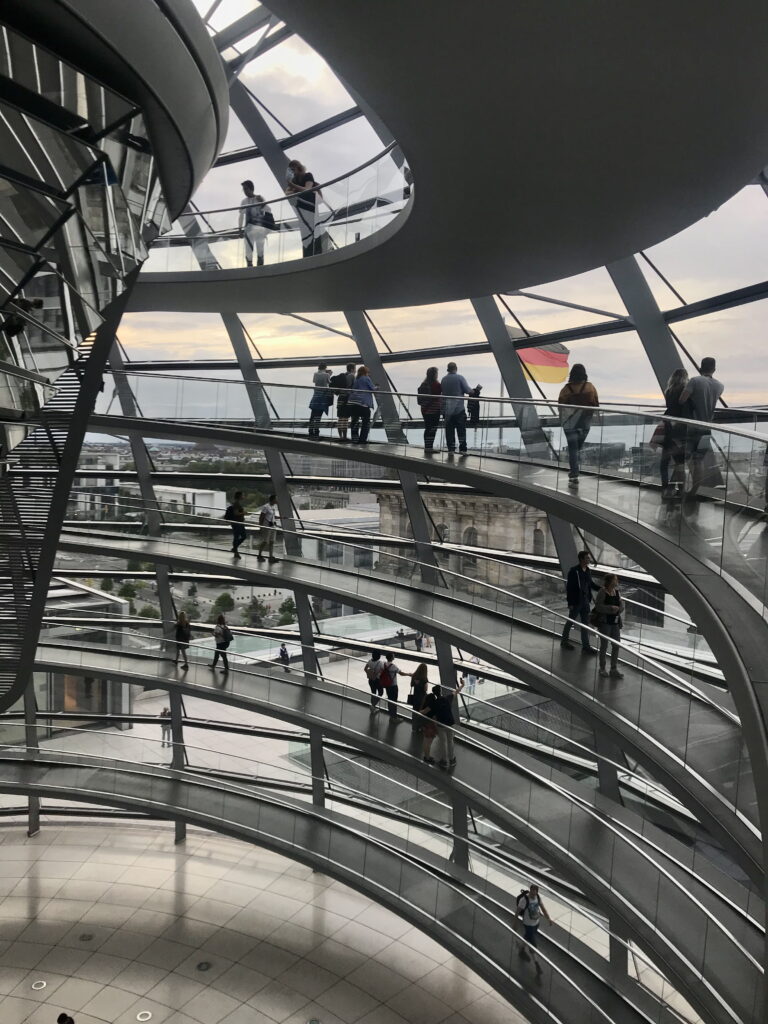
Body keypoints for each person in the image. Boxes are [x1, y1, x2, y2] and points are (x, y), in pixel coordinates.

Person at [680, 357, 725, 495]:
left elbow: (681, 400)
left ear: (700, 367)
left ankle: (680, 488)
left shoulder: (695, 381)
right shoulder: (720, 386)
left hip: (692, 426)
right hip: (706, 428)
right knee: (698, 461)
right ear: (714, 369)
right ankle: (694, 490)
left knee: (683, 459)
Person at [558, 364, 599, 484]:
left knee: (573, 448)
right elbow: (596, 403)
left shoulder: (565, 389)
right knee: (577, 447)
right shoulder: (590, 387)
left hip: (569, 423)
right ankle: (575, 470)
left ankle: (574, 473)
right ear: (584, 373)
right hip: (585, 422)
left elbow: (560, 407)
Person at [658, 368, 693, 498]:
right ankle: (681, 490)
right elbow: (686, 410)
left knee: (665, 461)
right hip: (680, 430)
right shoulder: (685, 391)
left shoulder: (669, 391)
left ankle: (666, 488)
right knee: (680, 462)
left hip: (667, 427)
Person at [560, 551, 598, 654]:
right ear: (581, 559)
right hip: (577, 602)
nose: (589, 559)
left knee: (585, 624)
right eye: (587, 558)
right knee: (570, 621)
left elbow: (591, 584)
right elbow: (570, 588)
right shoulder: (574, 571)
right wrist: (570, 603)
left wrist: (602, 588)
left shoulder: (588, 571)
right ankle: (564, 641)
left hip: (585, 601)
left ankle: (586, 646)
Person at [285, 158, 321, 257]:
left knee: (315, 230)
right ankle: (307, 255)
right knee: (305, 233)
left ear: (299, 168)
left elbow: (307, 189)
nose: (293, 173)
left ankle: (317, 255)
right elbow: (287, 193)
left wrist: (293, 187)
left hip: (310, 207)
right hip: (302, 209)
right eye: (291, 170)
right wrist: (294, 187)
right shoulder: (294, 180)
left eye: (293, 170)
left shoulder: (308, 176)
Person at [593, 574, 624, 679]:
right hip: (605, 623)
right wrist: (610, 608)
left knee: (616, 645)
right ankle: (602, 668)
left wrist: (618, 609)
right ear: (611, 581)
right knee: (604, 646)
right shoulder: (602, 592)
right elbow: (598, 607)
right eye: (615, 579)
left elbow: (622, 605)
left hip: (615, 623)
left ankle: (613, 669)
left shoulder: (617, 592)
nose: (617, 581)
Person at [517, 884, 552, 972]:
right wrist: (515, 922)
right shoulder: (524, 900)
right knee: (533, 944)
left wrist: (548, 918)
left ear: (537, 892)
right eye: (532, 893)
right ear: (530, 891)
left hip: (536, 923)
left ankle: (521, 949)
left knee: (527, 937)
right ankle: (536, 963)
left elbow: (543, 908)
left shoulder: (538, 897)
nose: (533, 895)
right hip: (528, 924)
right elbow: (517, 911)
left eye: (535, 893)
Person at [238, 180, 273, 266]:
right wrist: (240, 229)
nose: (245, 191)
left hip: (259, 229)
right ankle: (250, 270)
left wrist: (262, 203)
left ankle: (260, 270)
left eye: (246, 189)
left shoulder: (259, 198)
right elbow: (241, 215)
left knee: (260, 252)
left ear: (251, 189)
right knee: (248, 253)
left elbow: (268, 210)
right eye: (244, 189)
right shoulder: (244, 201)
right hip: (248, 230)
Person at [440, 362, 471, 453]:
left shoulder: (443, 379)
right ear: (456, 368)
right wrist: (475, 391)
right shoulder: (460, 378)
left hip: (447, 409)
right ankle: (462, 449)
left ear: (448, 369)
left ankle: (451, 449)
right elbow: (468, 390)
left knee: (449, 430)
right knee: (461, 430)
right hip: (458, 409)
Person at [347, 365, 377, 444]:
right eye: (368, 372)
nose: (369, 373)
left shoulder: (357, 379)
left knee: (354, 421)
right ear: (365, 372)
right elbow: (373, 388)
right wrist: (377, 387)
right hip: (363, 403)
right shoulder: (366, 378)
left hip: (353, 403)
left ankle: (354, 438)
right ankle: (362, 440)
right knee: (365, 422)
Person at [417, 366, 442, 451]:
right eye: (437, 373)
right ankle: (429, 447)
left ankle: (427, 447)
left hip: (424, 410)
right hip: (434, 410)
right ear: (435, 374)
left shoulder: (423, 384)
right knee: (433, 429)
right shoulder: (436, 384)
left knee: (427, 428)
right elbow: (440, 395)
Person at [330, 362, 356, 441]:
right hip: (347, 398)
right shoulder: (352, 376)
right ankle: (344, 437)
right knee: (345, 418)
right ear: (352, 369)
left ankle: (340, 437)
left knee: (340, 418)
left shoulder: (343, 375)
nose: (355, 370)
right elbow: (355, 387)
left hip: (340, 398)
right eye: (355, 369)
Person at [382, 651, 412, 718]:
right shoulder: (393, 666)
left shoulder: (384, 664)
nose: (394, 656)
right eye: (393, 655)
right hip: (393, 686)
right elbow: (401, 673)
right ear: (392, 657)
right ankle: (394, 717)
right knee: (394, 701)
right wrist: (409, 674)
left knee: (390, 699)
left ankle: (391, 714)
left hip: (387, 685)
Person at [308, 362, 332, 438]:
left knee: (313, 415)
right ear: (325, 367)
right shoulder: (327, 375)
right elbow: (329, 382)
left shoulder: (315, 374)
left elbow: (314, 381)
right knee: (319, 416)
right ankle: (316, 431)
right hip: (322, 396)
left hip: (315, 396)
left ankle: (310, 430)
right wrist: (329, 375)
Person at [420, 684, 441, 762]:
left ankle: (426, 756)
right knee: (428, 743)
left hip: (425, 724)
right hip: (431, 725)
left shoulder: (426, 704)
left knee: (425, 741)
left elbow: (423, 712)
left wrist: (419, 712)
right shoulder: (433, 704)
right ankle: (427, 758)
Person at [256, 494, 279, 563]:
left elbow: (273, 516)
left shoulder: (273, 507)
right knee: (265, 541)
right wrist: (260, 527)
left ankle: (271, 557)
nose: (277, 500)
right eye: (276, 499)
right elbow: (261, 517)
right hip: (266, 526)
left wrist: (282, 518)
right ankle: (259, 555)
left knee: (272, 542)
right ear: (273, 499)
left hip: (273, 526)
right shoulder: (266, 507)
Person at [408, 662, 430, 732]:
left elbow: (411, 685)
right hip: (422, 698)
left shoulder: (414, 676)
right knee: (421, 713)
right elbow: (425, 689)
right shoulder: (424, 678)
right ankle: (420, 727)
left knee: (414, 712)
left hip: (415, 697)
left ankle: (414, 728)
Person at [225, 490, 247, 559]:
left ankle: (234, 549)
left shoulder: (238, 503)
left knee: (243, 536)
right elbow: (236, 513)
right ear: (240, 496)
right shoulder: (236, 504)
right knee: (237, 537)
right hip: (236, 523)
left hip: (239, 523)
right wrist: (244, 513)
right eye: (243, 495)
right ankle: (235, 551)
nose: (243, 496)